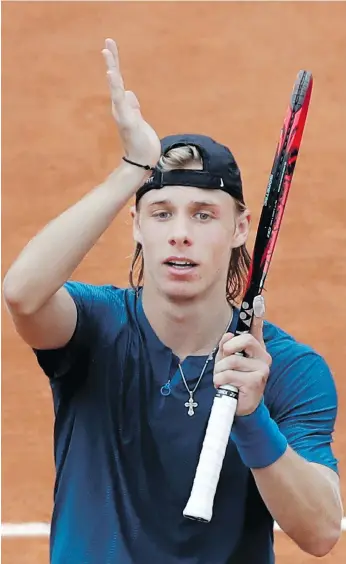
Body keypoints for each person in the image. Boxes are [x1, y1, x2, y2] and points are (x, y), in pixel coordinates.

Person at [3, 38, 343, 564]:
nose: (180, 233)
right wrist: (130, 171)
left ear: (239, 229)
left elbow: (321, 532)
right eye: (161, 213)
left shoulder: (289, 371)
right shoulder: (94, 328)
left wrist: (253, 418)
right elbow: (22, 295)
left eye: (203, 215)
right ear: (137, 226)